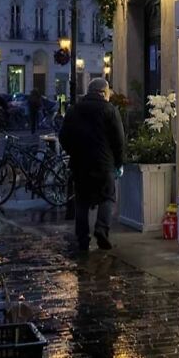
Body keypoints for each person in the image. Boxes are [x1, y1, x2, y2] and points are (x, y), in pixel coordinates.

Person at [59, 77, 125, 252]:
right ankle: (101, 229)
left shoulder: (74, 110)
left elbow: (63, 136)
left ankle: (82, 239)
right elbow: (119, 140)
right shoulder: (109, 110)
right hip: (103, 163)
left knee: (81, 202)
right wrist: (119, 162)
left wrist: (73, 151)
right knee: (108, 196)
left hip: (80, 164)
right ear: (103, 92)